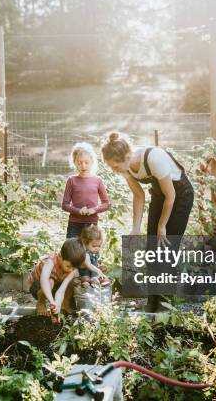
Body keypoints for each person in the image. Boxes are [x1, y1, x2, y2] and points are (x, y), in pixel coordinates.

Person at [101, 132, 194, 312]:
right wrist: (135, 228)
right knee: (152, 249)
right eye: (111, 167)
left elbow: (172, 195)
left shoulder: (154, 158)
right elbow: (139, 195)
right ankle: (152, 303)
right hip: (161, 197)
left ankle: (166, 305)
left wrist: (162, 226)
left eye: (115, 166)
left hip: (180, 196)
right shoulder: (126, 167)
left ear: (126, 156)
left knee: (166, 249)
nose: (115, 170)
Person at [27, 237, 84, 321]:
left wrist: (56, 306)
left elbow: (61, 290)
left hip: (56, 286)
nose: (70, 269)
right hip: (38, 286)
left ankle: (65, 305)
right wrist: (51, 300)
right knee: (50, 281)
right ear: (60, 256)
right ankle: (41, 302)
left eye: (74, 267)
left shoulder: (72, 269)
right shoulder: (50, 261)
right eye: (68, 266)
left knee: (74, 279)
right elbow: (44, 280)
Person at [62, 142, 110, 238]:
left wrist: (94, 210)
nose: (83, 165)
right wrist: (78, 211)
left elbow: (106, 204)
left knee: (91, 252)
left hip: (91, 225)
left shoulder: (98, 181)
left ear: (92, 161)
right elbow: (65, 205)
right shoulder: (71, 180)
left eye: (86, 162)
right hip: (74, 225)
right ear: (75, 163)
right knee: (72, 252)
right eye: (79, 163)